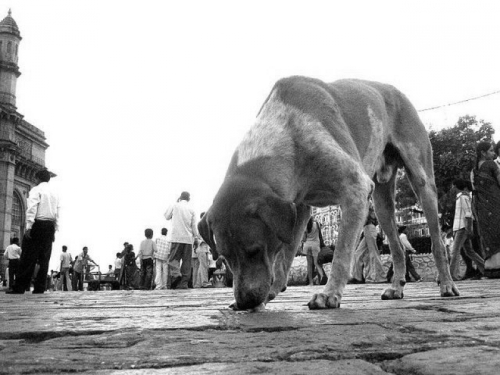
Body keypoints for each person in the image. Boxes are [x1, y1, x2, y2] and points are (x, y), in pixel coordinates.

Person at [7, 169, 60, 294]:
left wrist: (29, 226)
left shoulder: (36, 190)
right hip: (50, 226)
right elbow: (57, 212)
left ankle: (20, 287)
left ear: (37, 178)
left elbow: (32, 208)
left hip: (38, 224)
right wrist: (55, 229)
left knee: (27, 257)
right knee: (44, 258)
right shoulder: (54, 193)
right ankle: (40, 287)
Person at [471, 141, 500, 278]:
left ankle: (490, 268)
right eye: (491, 151)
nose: (494, 154)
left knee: (488, 235)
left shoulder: (474, 169)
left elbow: (474, 190)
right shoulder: (492, 165)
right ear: (483, 153)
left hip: (481, 207)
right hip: (495, 204)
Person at [449, 179, 485, 280]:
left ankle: (452, 275)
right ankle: (485, 269)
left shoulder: (463, 197)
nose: (452, 188)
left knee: (455, 251)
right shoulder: (460, 198)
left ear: (456, 186)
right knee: (469, 251)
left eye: (453, 186)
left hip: (462, 227)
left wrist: (469, 229)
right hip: (459, 227)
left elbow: (468, 214)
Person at [164, 191, 199, 289]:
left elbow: (166, 217)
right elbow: (194, 226)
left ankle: (176, 274)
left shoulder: (175, 205)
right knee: (187, 262)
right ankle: (183, 284)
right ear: (189, 199)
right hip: (188, 239)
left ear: (180, 197)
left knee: (173, 259)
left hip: (176, 237)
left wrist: (176, 202)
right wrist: (196, 238)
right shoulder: (191, 209)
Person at [349, 209, 386, 283]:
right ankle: (357, 277)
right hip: (366, 229)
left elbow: (369, 218)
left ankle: (380, 277)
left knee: (373, 253)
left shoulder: (369, 205)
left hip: (369, 228)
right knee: (357, 254)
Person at [302, 217, 325, 285]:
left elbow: (304, 239)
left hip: (307, 246)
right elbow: (322, 227)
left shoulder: (305, 226)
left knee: (309, 265)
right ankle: (322, 276)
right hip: (316, 245)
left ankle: (311, 282)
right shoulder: (316, 224)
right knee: (316, 263)